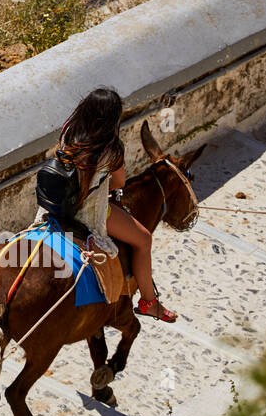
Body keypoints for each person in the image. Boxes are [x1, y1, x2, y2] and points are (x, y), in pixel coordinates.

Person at [54, 86, 177, 322]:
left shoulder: (68, 131)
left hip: (58, 204)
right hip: (88, 213)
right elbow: (118, 183)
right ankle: (149, 302)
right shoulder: (111, 148)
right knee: (144, 240)